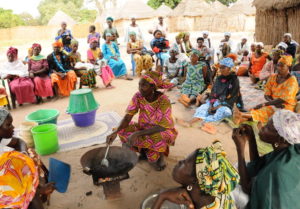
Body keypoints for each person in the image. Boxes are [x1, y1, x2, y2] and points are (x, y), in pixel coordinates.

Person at [106, 71, 178, 171]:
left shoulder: (163, 100)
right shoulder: (138, 96)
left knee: (157, 139)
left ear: (153, 87)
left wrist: (137, 134)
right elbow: (128, 117)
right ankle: (144, 152)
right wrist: (115, 132)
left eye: (144, 85)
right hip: (143, 127)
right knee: (121, 129)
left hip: (161, 130)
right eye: (139, 85)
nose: (140, 88)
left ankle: (160, 156)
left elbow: (162, 126)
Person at [232, 110, 300, 209]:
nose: (262, 127)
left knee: (230, 189)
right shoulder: (287, 150)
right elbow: (258, 165)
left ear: (281, 138)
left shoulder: (278, 167)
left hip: (269, 204)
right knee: (238, 166)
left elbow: (247, 187)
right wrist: (251, 139)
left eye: (268, 127)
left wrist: (240, 148)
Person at [152, 141, 239, 209]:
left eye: (184, 162)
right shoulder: (214, 189)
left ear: (196, 180)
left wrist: (163, 196)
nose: (179, 162)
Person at [0, 109, 55, 209]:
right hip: (5, 195)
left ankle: (39, 184)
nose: (13, 127)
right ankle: (39, 191)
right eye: (8, 125)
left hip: (11, 181)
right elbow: (12, 190)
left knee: (31, 154)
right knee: (33, 198)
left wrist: (24, 154)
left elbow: (19, 142)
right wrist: (40, 190)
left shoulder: (2, 140)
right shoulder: (4, 161)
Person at [234, 56, 298, 124]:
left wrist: (265, 104)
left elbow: (283, 99)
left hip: (285, 105)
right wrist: (271, 103)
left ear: (289, 67)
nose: (279, 68)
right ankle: (242, 118)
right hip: (273, 103)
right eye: (278, 65)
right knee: (257, 109)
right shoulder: (273, 77)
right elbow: (267, 94)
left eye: (282, 66)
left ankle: (242, 115)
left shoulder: (292, 80)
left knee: (266, 110)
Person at [177, 58, 241, 126]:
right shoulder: (219, 78)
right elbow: (213, 92)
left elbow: (232, 97)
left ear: (229, 68)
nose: (221, 69)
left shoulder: (234, 80)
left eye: (223, 67)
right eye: (220, 67)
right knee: (203, 108)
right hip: (215, 101)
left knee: (225, 111)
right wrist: (211, 104)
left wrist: (217, 107)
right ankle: (191, 122)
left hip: (225, 104)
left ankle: (205, 121)